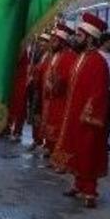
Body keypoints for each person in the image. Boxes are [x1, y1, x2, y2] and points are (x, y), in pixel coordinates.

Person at [51, 13, 110, 208]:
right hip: (73, 114)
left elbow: (100, 91)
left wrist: (89, 112)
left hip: (88, 117)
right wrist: (58, 82)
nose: (75, 38)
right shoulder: (80, 58)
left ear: (90, 38)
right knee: (76, 150)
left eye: (79, 35)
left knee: (88, 152)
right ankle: (78, 184)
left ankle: (90, 191)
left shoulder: (99, 61)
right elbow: (71, 84)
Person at [42, 22, 77, 163]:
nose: (52, 43)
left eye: (55, 41)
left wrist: (56, 82)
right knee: (50, 126)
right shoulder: (53, 55)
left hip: (61, 99)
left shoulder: (70, 56)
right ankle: (50, 150)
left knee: (59, 128)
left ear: (62, 42)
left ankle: (58, 155)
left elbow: (68, 79)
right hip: (50, 98)